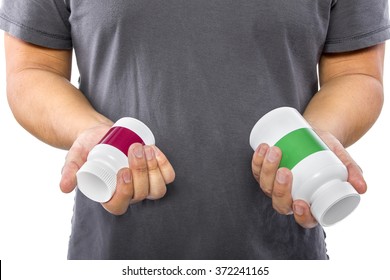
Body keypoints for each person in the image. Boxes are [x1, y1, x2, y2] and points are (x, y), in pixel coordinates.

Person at [0, 0, 389, 260]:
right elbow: (32, 71)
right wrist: (93, 133)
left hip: (278, 253)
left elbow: (355, 73)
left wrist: (311, 138)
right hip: (114, 253)